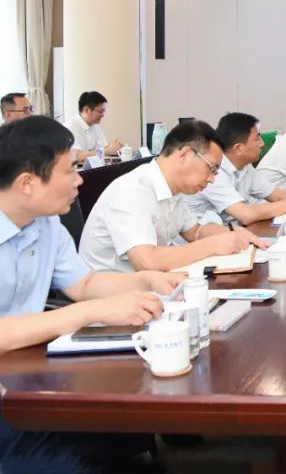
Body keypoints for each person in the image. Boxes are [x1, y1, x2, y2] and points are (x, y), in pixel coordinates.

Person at [0, 117, 182, 470]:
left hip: (26, 371)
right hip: (11, 389)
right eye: (70, 170)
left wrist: (147, 281)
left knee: (128, 430)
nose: (80, 180)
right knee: (73, 460)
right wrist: (88, 312)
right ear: (26, 183)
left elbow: (83, 284)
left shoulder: (46, 223)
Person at [79, 121, 265, 273]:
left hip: (151, 286)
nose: (212, 179)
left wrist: (233, 234)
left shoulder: (173, 189)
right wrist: (212, 245)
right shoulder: (132, 190)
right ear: (185, 155)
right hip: (113, 296)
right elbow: (147, 261)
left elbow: (194, 231)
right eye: (211, 168)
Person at [186, 112, 286, 226]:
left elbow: (276, 194)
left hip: (232, 232)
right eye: (257, 138)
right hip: (203, 239)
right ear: (238, 148)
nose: (262, 144)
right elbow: (246, 215)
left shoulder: (245, 166)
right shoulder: (213, 172)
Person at [64, 91, 123, 163]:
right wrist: (107, 150)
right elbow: (77, 156)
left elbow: (103, 148)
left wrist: (113, 147)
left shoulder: (95, 126)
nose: (103, 115)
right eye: (100, 111)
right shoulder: (70, 126)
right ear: (87, 110)